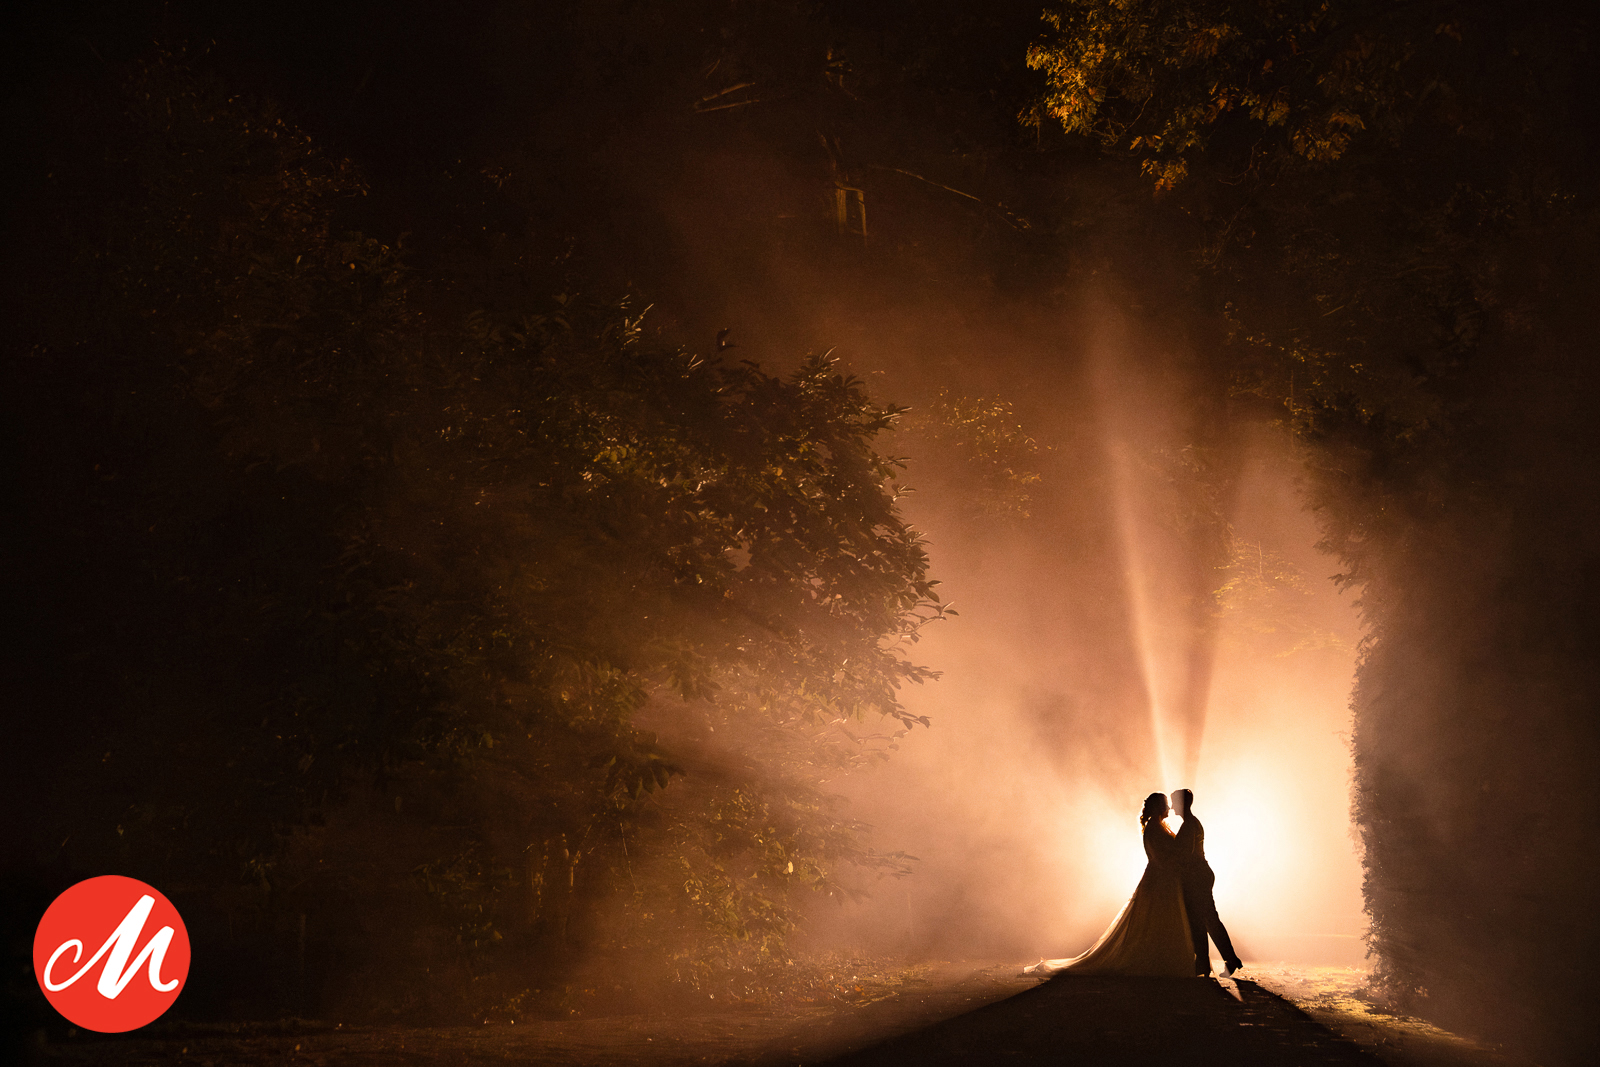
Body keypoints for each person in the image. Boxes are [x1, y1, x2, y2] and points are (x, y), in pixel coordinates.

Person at [1023, 792, 1195, 976]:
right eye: (1166, 804)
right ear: (1158, 807)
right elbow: (1161, 858)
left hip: (1164, 879)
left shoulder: (1158, 826)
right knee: (1156, 921)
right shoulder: (1154, 828)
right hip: (1160, 880)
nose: (1169, 808)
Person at [1171, 788, 1243, 977]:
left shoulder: (1188, 825)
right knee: (1207, 919)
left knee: (1203, 919)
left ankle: (1212, 961)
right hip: (1201, 874)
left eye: (1174, 802)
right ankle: (1221, 960)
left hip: (1197, 877)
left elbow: (1185, 855)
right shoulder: (1193, 823)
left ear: (1181, 803)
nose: (1171, 807)